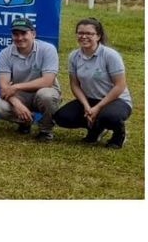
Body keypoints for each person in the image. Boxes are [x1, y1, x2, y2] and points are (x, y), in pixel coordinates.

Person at [54, 18, 133, 149]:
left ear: (98, 36)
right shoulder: (74, 56)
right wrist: (86, 106)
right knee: (62, 117)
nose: (84, 36)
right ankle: (97, 128)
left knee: (109, 116)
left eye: (89, 33)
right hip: (90, 99)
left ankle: (119, 135)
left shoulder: (110, 55)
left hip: (116, 100)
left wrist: (97, 108)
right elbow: (75, 85)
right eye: (80, 33)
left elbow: (120, 85)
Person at [0, 17, 61, 142]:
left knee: (47, 96)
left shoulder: (48, 49)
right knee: (0, 107)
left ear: (33, 34)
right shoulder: (5, 53)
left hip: (44, 91)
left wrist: (15, 87)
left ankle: (46, 131)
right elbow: (4, 86)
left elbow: (47, 81)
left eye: (24, 33)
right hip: (20, 96)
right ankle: (25, 122)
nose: (19, 38)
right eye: (15, 34)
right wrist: (16, 103)